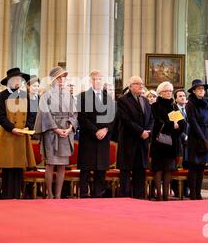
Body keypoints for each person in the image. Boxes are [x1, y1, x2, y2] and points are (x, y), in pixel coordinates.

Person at [35, 66, 78, 199]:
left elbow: (74, 113)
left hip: (66, 133)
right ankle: (50, 194)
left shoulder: (69, 96)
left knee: (62, 166)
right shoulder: (46, 95)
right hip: (51, 133)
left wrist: (70, 128)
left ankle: (58, 195)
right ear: (52, 80)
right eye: (58, 77)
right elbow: (45, 114)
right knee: (51, 164)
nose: (61, 80)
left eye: (63, 77)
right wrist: (55, 129)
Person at [0, 68, 36, 199]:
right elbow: (0, 116)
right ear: (9, 81)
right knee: (8, 167)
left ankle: (17, 196)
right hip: (8, 135)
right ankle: (6, 195)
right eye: (16, 79)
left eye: (20, 79)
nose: (18, 81)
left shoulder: (26, 95)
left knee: (19, 167)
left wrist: (27, 127)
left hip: (22, 136)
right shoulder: (2, 96)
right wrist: (12, 128)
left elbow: (31, 115)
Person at [77, 70, 116, 198]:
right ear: (90, 81)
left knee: (101, 170)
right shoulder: (82, 96)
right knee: (86, 169)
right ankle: (83, 194)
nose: (97, 81)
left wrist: (105, 130)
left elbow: (113, 118)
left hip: (103, 139)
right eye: (94, 79)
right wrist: (95, 131)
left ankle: (98, 194)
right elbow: (82, 118)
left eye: (99, 79)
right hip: (89, 138)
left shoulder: (108, 98)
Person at [116, 76, 154, 199]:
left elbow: (151, 119)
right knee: (126, 172)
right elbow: (126, 120)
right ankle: (125, 198)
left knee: (140, 171)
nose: (141, 86)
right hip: (129, 141)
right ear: (131, 86)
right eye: (137, 84)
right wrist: (140, 131)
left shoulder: (145, 100)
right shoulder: (122, 100)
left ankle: (140, 198)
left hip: (142, 142)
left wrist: (148, 131)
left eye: (142, 84)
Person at [185, 79, 208, 200]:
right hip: (195, 137)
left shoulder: (205, 103)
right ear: (193, 90)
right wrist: (203, 138)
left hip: (207, 137)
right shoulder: (190, 103)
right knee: (194, 167)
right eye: (199, 88)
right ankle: (193, 193)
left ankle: (198, 193)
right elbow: (192, 122)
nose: (202, 90)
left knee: (201, 167)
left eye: (203, 89)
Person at [150, 82, 181, 201]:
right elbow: (157, 122)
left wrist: (177, 126)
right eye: (167, 91)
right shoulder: (155, 106)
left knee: (169, 169)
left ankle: (165, 195)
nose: (169, 93)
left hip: (171, 143)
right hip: (159, 143)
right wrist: (172, 125)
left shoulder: (173, 106)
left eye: (170, 91)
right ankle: (158, 195)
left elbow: (182, 124)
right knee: (158, 169)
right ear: (160, 93)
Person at [171, 89, 189, 198]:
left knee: (187, 165)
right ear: (176, 99)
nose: (182, 97)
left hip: (189, 143)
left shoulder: (189, 109)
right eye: (180, 96)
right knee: (177, 166)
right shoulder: (174, 109)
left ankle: (186, 189)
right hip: (178, 141)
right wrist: (185, 137)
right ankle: (177, 190)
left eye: (184, 96)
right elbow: (177, 128)